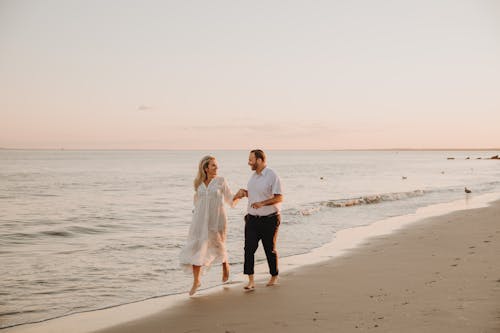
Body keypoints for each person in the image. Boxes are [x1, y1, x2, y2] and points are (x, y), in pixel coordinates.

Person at [179, 155, 245, 296]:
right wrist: (195, 218)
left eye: (216, 165)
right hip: (199, 221)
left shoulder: (221, 181)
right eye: (213, 165)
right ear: (206, 168)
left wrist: (239, 195)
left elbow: (230, 200)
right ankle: (196, 281)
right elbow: (196, 202)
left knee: (218, 244)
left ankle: (225, 264)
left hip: (217, 219)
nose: (216, 168)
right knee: (197, 247)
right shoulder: (198, 183)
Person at [239, 149, 283, 290]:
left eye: (251, 159)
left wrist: (262, 203)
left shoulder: (272, 175)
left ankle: (274, 276)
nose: (248, 162)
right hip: (252, 219)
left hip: (269, 219)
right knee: (248, 249)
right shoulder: (253, 177)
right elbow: (254, 195)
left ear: (259, 160)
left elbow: (279, 197)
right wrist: (244, 193)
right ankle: (251, 281)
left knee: (269, 249)